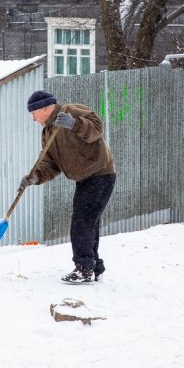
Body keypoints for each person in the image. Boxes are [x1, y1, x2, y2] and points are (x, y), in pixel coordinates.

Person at [20, 90, 116, 283]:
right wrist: (36, 176)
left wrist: (74, 124)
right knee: (88, 223)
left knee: (82, 223)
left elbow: (97, 129)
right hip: (85, 179)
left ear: (45, 108)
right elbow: (49, 162)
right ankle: (93, 266)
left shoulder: (71, 110)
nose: (33, 119)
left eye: (34, 113)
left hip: (100, 174)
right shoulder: (48, 132)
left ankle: (84, 269)